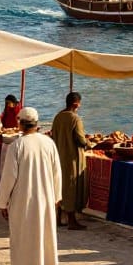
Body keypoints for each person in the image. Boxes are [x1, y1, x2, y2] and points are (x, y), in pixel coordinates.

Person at [0, 106, 62, 265]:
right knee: (45, 237)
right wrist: (56, 197)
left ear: (20, 123)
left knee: (22, 238)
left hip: (23, 200)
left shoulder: (17, 145)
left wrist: (2, 202)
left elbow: (9, 177)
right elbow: (57, 173)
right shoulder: (48, 143)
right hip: (46, 198)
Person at [50, 91, 89, 230]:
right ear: (76, 104)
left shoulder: (58, 117)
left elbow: (53, 135)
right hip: (71, 158)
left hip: (59, 156)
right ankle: (72, 221)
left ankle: (59, 218)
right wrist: (88, 143)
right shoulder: (75, 119)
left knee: (61, 186)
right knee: (71, 187)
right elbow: (80, 139)